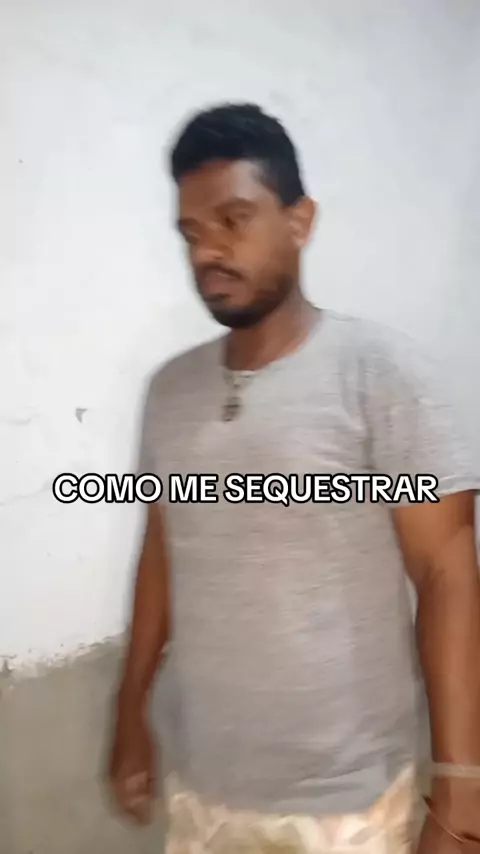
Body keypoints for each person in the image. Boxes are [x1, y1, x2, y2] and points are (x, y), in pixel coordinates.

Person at [107, 103, 480, 853]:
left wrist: (463, 792)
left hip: (347, 806)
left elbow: (447, 573)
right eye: (192, 233)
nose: (210, 251)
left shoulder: (381, 374)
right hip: (204, 789)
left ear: (299, 221)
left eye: (234, 219)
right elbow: (161, 556)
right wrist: (128, 715)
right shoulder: (169, 392)